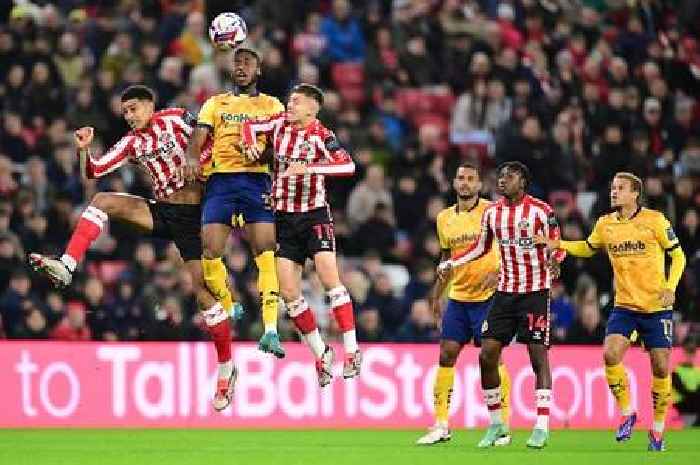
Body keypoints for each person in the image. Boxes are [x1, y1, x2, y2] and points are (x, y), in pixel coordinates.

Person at [28, 85, 238, 412]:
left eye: (134, 109)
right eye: (125, 112)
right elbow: (94, 172)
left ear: (151, 105)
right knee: (102, 200)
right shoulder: (132, 143)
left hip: (196, 214)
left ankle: (226, 368)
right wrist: (85, 150)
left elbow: (213, 139)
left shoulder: (178, 119)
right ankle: (67, 265)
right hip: (163, 210)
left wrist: (201, 163)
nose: (129, 117)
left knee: (204, 294)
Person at [535, 172, 687, 451]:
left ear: (635, 194)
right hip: (625, 306)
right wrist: (560, 245)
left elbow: (678, 255)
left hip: (656, 307)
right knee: (610, 353)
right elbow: (587, 248)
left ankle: (657, 431)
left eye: (620, 188)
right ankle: (628, 412)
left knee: (661, 366)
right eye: (613, 187)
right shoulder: (606, 224)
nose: (614, 192)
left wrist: (671, 286)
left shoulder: (655, 221)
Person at [438, 161, 564, 449]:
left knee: (537, 357)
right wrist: (452, 261)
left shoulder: (542, 211)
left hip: (534, 292)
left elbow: (557, 245)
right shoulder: (492, 213)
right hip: (505, 293)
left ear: (523, 181)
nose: (503, 179)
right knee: (486, 355)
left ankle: (542, 425)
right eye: (501, 175)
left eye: (510, 175)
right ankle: (497, 424)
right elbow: (481, 247)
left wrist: (555, 262)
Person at [242, 83, 361, 387]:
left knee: (329, 280)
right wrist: (253, 146)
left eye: (295, 101)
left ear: (313, 107)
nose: (289, 105)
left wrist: (308, 169)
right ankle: (321, 354)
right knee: (289, 293)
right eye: (289, 100)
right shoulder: (279, 124)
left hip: (314, 216)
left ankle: (351, 350)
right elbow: (249, 127)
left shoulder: (322, 136)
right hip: (283, 218)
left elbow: (347, 165)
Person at [183, 44, 286, 358]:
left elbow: (281, 146)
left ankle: (270, 329)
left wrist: (264, 153)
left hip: (257, 180)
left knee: (266, 251)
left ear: (258, 70)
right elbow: (198, 138)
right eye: (237, 62)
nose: (241, 67)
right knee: (210, 251)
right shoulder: (215, 103)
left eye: (247, 63)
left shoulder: (272, 105)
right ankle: (230, 305)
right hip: (221, 181)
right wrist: (190, 158)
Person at [416, 163, 512, 446]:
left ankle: (503, 425)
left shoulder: (492, 212)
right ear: (454, 183)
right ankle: (441, 424)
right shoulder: (444, 218)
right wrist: (436, 295)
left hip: (489, 297)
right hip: (459, 296)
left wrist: (500, 272)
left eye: (471, 179)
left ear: (480, 185)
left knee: (492, 359)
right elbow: (446, 259)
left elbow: (509, 245)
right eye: (461, 178)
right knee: (446, 355)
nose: (465, 183)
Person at [672, 335, 700, 427]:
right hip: (681, 406)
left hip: (694, 406)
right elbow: (682, 390)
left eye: (692, 352)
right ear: (683, 352)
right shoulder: (676, 371)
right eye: (688, 351)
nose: (690, 355)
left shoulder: (697, 371)